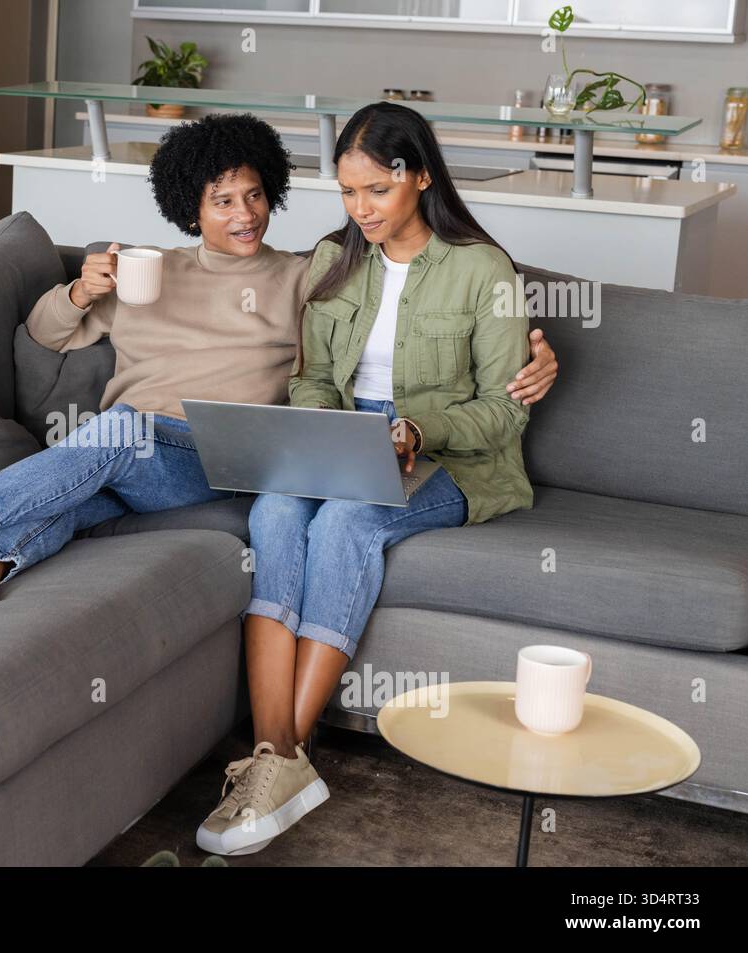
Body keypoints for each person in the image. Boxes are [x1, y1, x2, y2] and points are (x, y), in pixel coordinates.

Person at [0, 112, 558, 617]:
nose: (245, 214)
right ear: (191, 209)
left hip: (219, 457)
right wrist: (79, 289)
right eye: (223, 201)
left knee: (119, 431)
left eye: (254, 195)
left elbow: (411, 292)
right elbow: (45, 335)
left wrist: (534, 349)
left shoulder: (310, 274)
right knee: (88, 482)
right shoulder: (142, 270)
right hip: (128, 462)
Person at [195, 101, 542, 857]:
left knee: (348, 519)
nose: (362, 210)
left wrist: (417, 431)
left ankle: (279, 763)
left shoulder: (484, 268)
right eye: (348, 193)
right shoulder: (331, 259)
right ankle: (275, 756)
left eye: (376, 192)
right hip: (348, 440)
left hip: (455, 459)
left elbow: (503, 413)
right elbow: (314, 378)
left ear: (418, 176)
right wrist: (328, 428)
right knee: (278, 509)